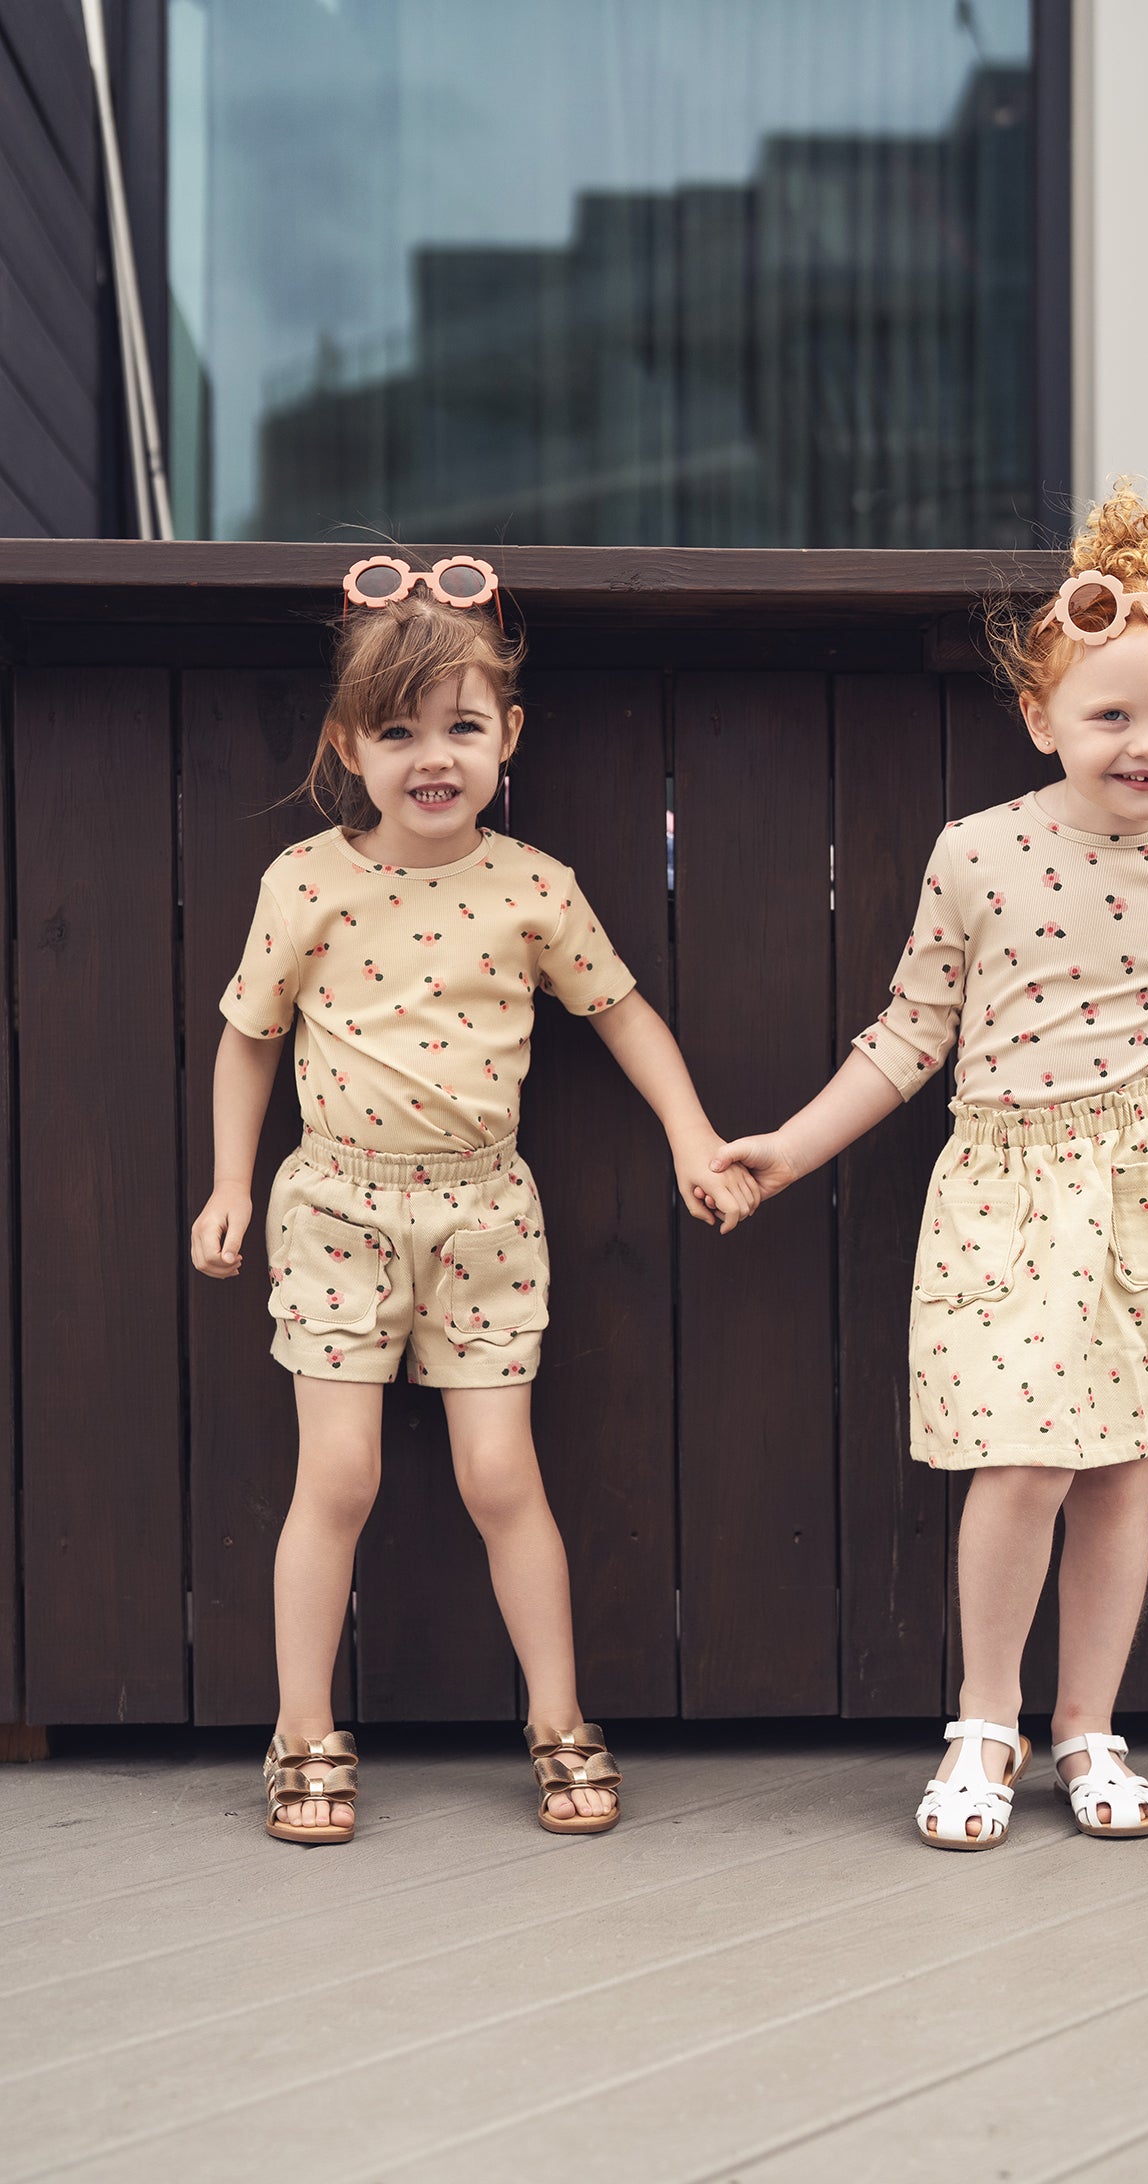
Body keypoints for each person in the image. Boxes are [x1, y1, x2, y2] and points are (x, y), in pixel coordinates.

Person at [713, 486, 1148, 1848]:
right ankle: (984, 1719)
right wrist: (784, 1152)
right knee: (1022, 1461)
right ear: (1043, 719)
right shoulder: (978, 854)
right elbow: (910, 1034)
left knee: (1122, 1471)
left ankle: (1087, 1726)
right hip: (1007, 1192)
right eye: (1111, 715)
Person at [190, 555, 756, 1847]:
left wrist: (691, 1136)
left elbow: (620, 1012)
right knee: (335, 1476)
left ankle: (558, 1719)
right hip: (334, 1204)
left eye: (461, 726)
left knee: (503, 1475)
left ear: (510, 733)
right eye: (397, 732)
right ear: (350, 745)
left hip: (484, 1213)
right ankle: (302, 1730)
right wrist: (229, 1185)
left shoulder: (536, 889)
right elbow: (248, 1038)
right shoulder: (307, 882)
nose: (431, 757)